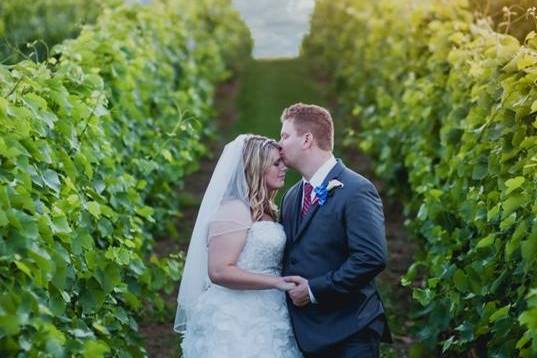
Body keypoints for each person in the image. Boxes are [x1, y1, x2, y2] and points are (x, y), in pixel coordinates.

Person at [278, 103, 392, 358]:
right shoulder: (292, 196)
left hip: (351, 331)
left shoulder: (356, 190)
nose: (279, 144)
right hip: (306, 331)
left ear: (307, 139)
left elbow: (371, 258)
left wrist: (313, 290)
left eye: (285, 136)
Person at [175, 134, 302, 358]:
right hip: (237, 316)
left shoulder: (265, 210)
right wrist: (275, 282)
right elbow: (219, 271)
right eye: (276, 163)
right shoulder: (234, 210)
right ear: (256, 167)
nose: (284, 168)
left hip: (269, 310)